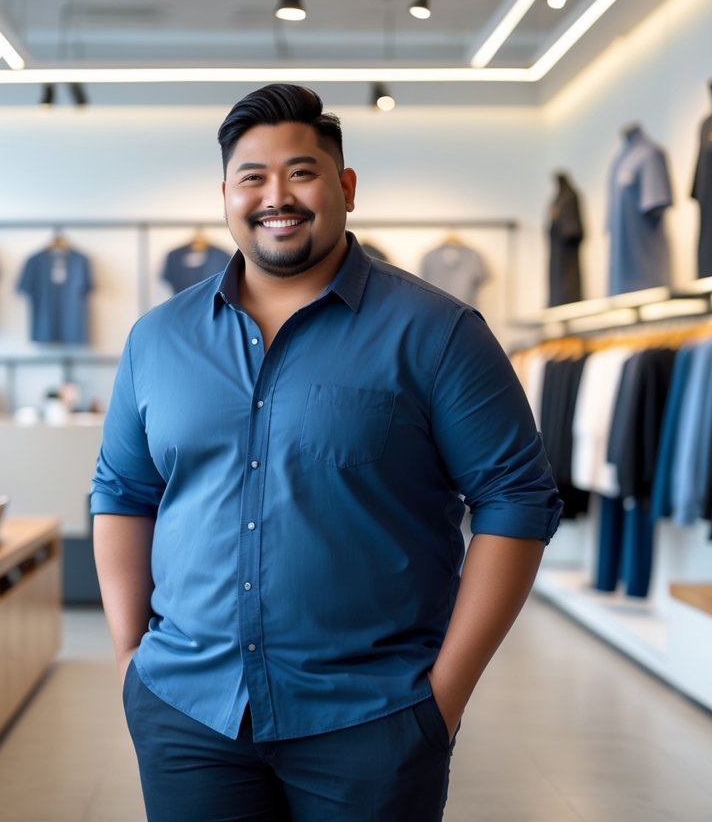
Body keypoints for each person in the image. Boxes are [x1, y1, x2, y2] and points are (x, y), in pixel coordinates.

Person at [91, 83, 562, 821]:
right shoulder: (157, 338)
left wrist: (444, 698)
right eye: (252, 177)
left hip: (372, 722)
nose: (276, 195)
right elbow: (122, 492)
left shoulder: (436, 332)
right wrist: (130, 663)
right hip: (188, 712)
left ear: (344, 187)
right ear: (225, 194)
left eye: (301, 172)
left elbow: (517, 500)